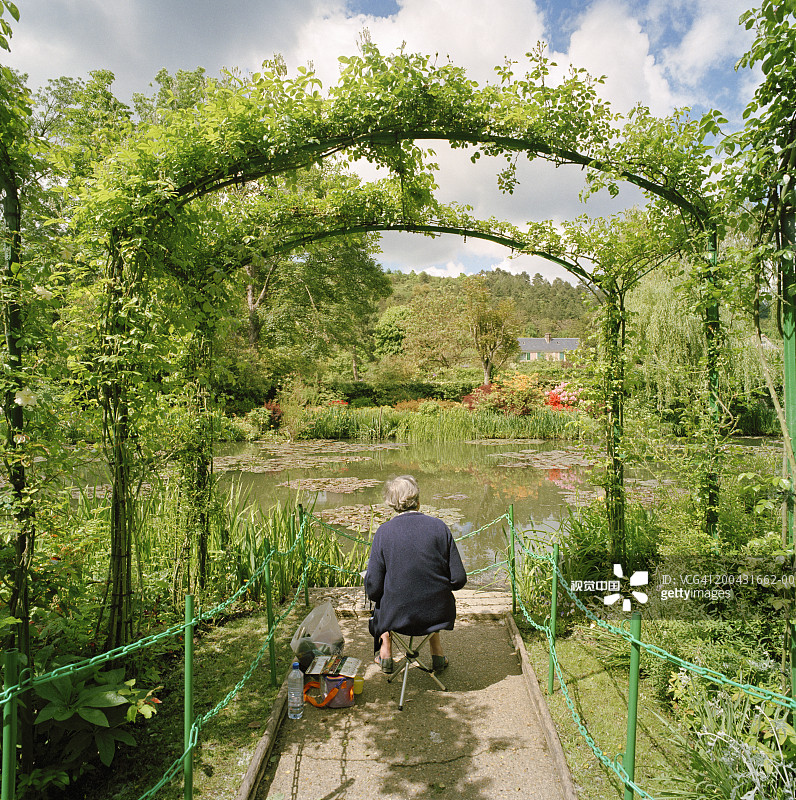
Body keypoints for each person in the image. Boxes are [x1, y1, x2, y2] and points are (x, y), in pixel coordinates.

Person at [365, 474, 467, 674]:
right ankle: (437, 652)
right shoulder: (440, 528)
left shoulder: (384, 533)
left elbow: (374, 589)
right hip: (437, 614)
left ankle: (385, 652)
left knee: (382, 596)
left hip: (397, 617)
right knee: (430, 589)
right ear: (418, 502)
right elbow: (459, 579)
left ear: (392, 505)